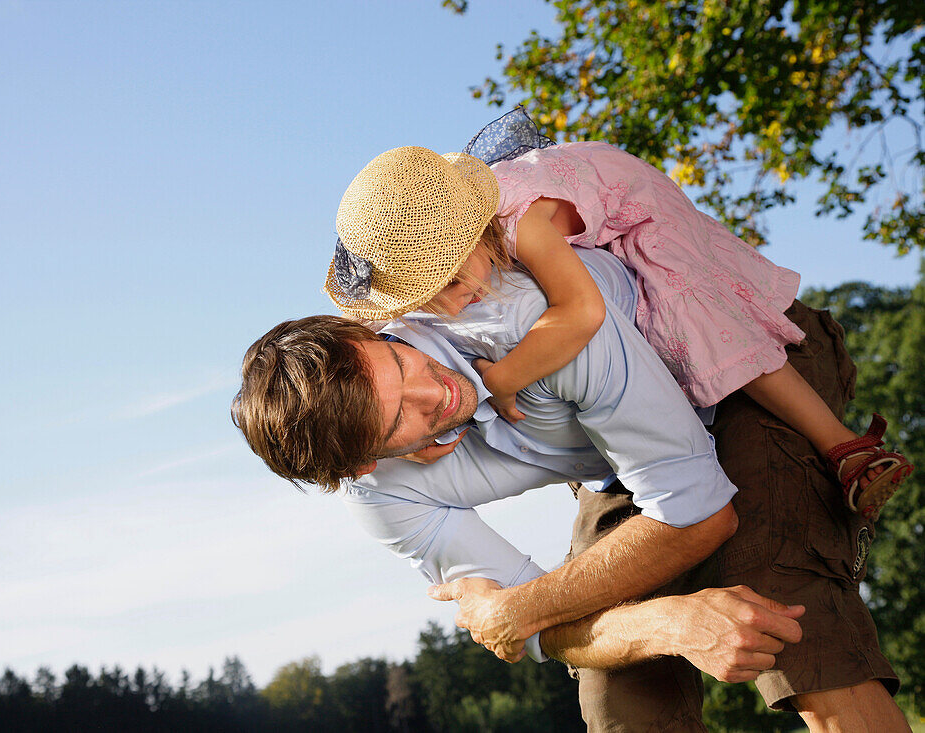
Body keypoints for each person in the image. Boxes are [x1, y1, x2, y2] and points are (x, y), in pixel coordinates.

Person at [233, 246, 903, 730]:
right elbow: (535, 630)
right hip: (627, 458)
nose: (433, 390)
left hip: (748, 363)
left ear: (369, 332)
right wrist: (660, 621)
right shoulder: (382, 499)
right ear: (362, 467)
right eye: (397, 417)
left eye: (400, 361)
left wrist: (526, 609)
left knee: (783, 606)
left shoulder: (526, 319)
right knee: (618, 701)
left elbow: (700, 518)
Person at [325, 108, 911, 519]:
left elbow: (582, 313)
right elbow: (378, 351)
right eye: (427, 296)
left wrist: (497, 380)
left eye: (451, 281)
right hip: (573, 202)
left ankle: (844, 449)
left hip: (635, 210)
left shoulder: (521, 223)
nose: (450, 305)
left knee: (700, 328)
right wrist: (410, 425)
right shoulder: (456, 245)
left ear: (477, 231)